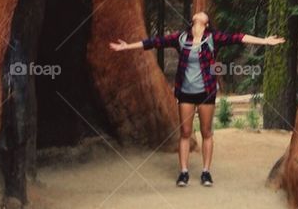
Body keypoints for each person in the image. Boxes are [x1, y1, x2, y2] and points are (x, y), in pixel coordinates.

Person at [109, 12, 284, 187]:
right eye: (198, 13)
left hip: (206, 91)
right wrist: (127, 46)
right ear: (193, 20)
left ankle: (206, 172)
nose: (200, 13)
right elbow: (155, 42)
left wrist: (264, 41)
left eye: (204, 14)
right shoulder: (181, 38)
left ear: (207, 24)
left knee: (206, 132)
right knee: (185, 132)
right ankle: (183, 172)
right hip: (186, 92)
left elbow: (238, 37)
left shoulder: (213, 38)